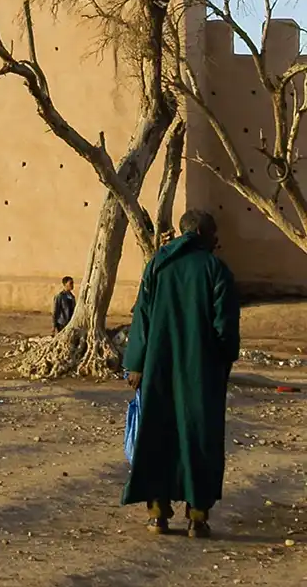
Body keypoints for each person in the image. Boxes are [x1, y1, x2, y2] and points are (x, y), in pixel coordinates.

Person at [123, 210, 240, 538]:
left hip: (158, 370)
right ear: (201, 232)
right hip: (201, 374)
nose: (216, 239)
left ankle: (157, 515)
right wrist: (220, 364)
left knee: (157, 437)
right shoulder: (217, 270)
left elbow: (141, 318)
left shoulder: (158, 265)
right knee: (199, 439)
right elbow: (226, 331)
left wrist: (136, 365)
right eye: (213, 232)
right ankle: (197, 518)